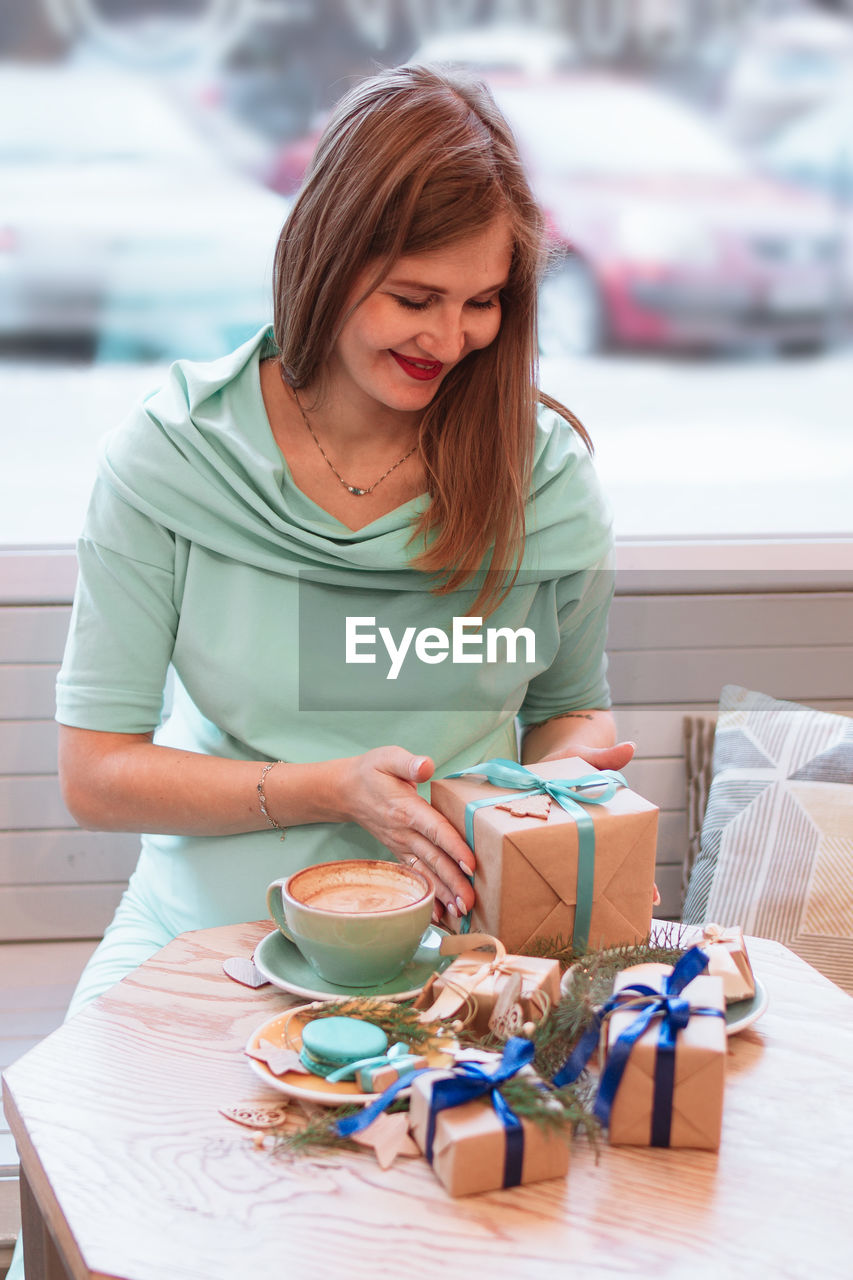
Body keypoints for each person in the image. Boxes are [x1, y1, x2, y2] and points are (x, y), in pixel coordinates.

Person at [6, 61, 637, 1280]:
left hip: (458, 969)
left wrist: (548, 788)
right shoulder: (170, 460)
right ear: (328, 256)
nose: (450, 339)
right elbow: (96, 775)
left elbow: (570, 710)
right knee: (110, 1221)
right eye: (414, 296)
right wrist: (330, 785)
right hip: (204, 944)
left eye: (484, 303)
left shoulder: (543, 475)